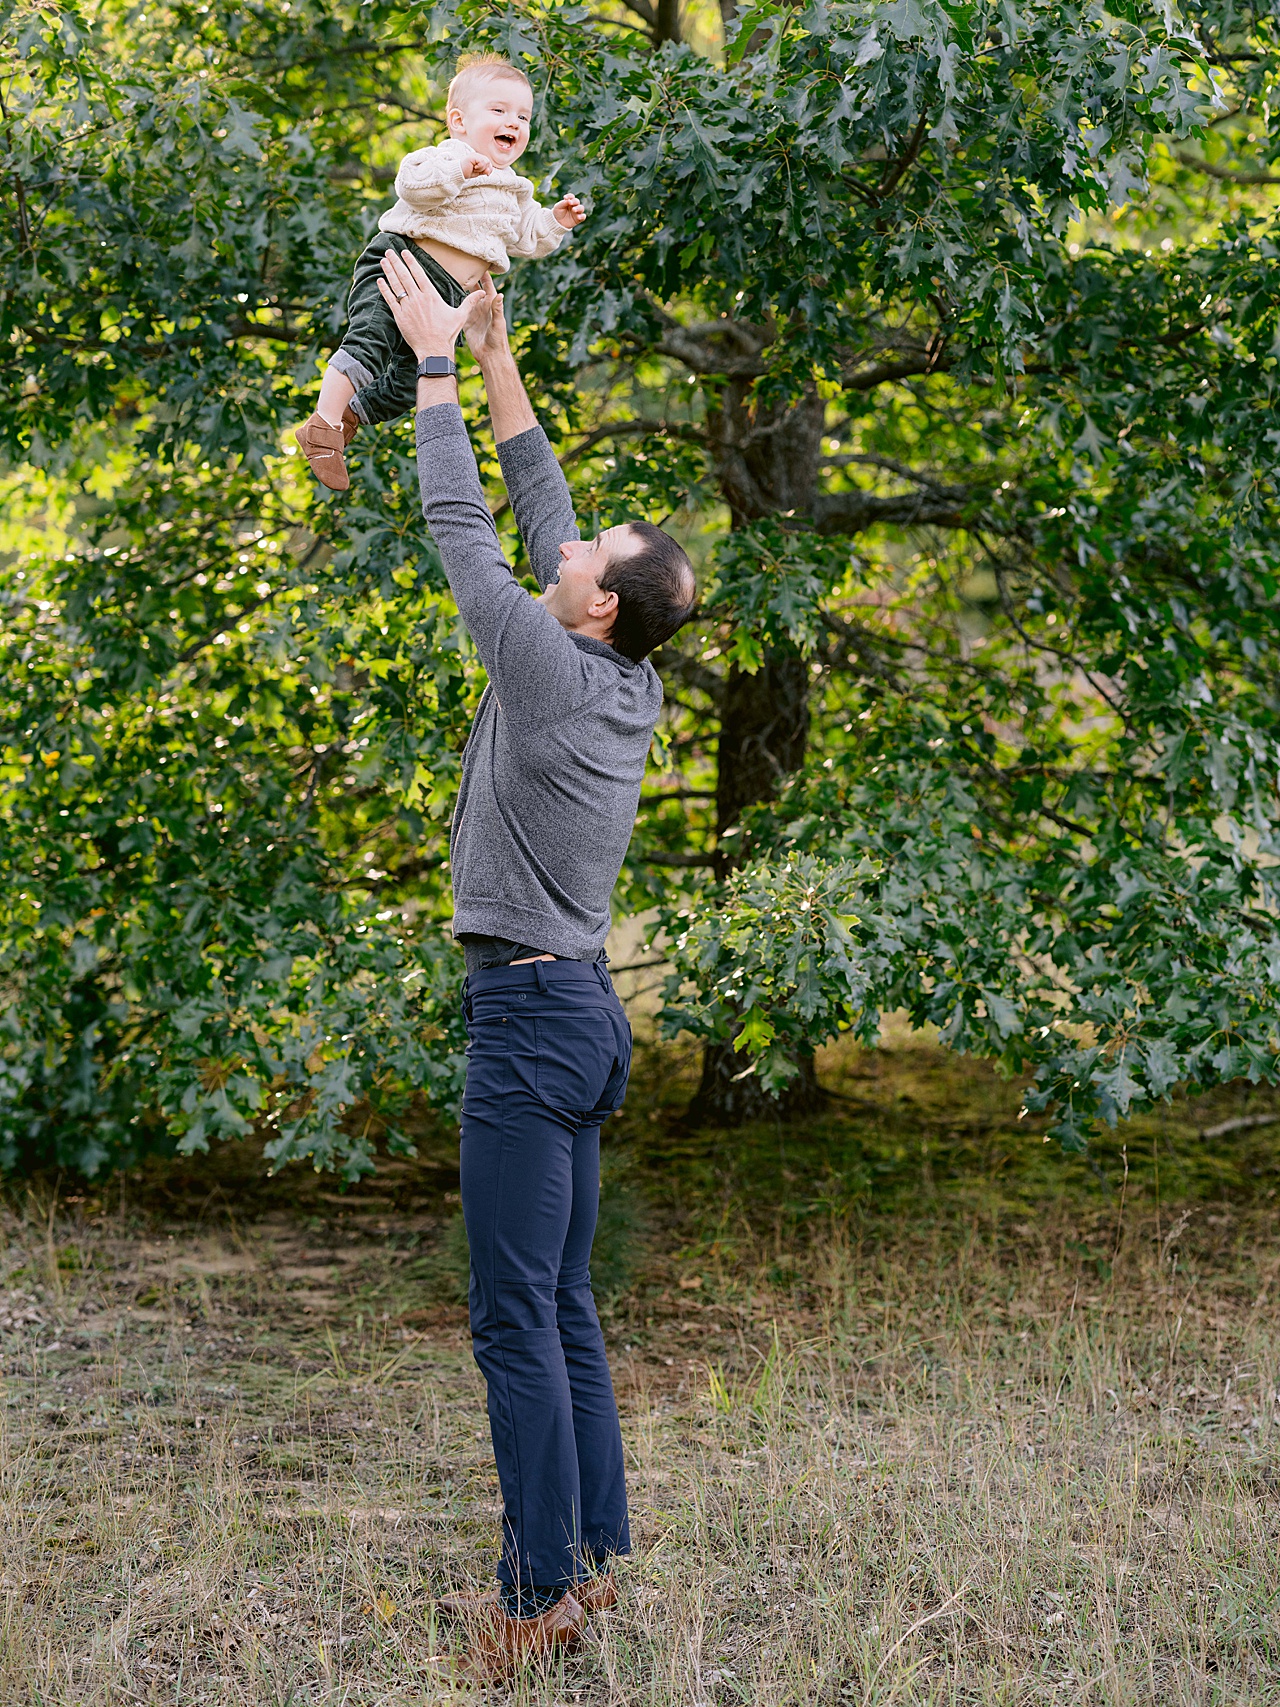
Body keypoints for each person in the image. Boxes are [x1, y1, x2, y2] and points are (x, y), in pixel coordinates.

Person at [374, 247, 697, 1680]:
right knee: (562, 1304)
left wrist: (433, 367)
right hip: (579, 1009)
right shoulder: (621, 667)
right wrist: (500, 352)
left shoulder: (548, 662)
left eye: (586, 557)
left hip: (528, 1012)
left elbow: (463, 524)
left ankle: (535, 1592)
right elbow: (544, 512)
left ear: (595, 606)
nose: (568, 546)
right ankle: (596, 1560)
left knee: (515, 1315)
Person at [294, 53, 586, 491]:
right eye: (500, 110)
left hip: (447, 296)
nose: (515, 122)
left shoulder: (516, 188)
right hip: (401, 263)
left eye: (523, 115)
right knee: (370, 340)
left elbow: (527, 238)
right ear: (459, 121)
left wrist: (555, 222)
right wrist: (457, 169)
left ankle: (352, 414)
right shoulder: (444, 156)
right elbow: (413, 186)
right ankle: (322, 425)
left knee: (415, 378)